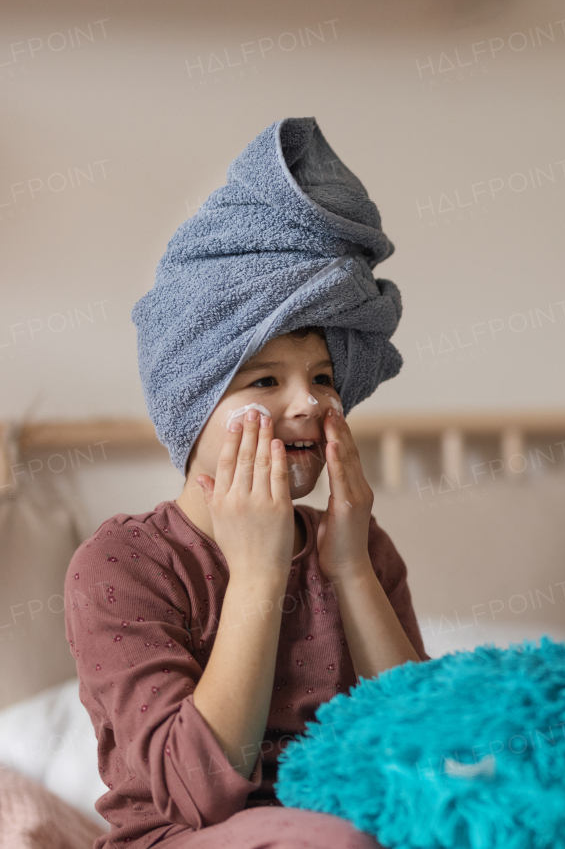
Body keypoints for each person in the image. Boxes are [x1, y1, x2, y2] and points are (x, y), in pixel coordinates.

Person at [64, 118, 424, 849]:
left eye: (322, 378)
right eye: (265, 379)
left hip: (346, 815)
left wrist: (350, 567)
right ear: (193, 405)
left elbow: (430, 747)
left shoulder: (358, 546)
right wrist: (257, 574)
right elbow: (198, 794)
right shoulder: (121, 567)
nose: (310, 402)